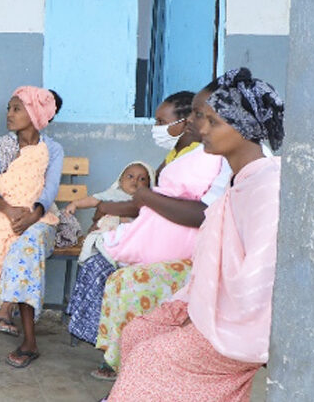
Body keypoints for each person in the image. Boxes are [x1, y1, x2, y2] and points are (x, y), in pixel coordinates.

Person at [107, 68, 284, 401]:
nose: (200, 128)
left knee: (151, 360)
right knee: (138, 332)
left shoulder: (266, 185)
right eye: (201, 118)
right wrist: (190, 306)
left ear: (245, 128)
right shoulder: (238, 180)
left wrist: (202, 321)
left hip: (239, 326)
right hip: (211, 306)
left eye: (212, 121)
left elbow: (259, 283)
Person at [76, 90, 231, 380]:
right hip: (163, 239)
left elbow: (197, 210)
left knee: (116, 278)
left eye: (162, 121)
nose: (157, 128)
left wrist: (136, 201)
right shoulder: (179, 155)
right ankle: (118, 360)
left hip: (190, 252)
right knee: (102, 268)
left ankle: (125, 365)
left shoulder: (210, 157)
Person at [0, 86, 64, 369]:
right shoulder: (1, 147)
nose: (9, 114)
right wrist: (10, 210)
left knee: (26, 244)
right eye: (9, 108)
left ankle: (28, 338)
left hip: (41, 219)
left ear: (35, 113)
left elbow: (49, 191)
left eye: (17, 108)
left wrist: (33, 215)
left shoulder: (52, 150)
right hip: (6, 214)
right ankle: (26, 336)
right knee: (16, 242)